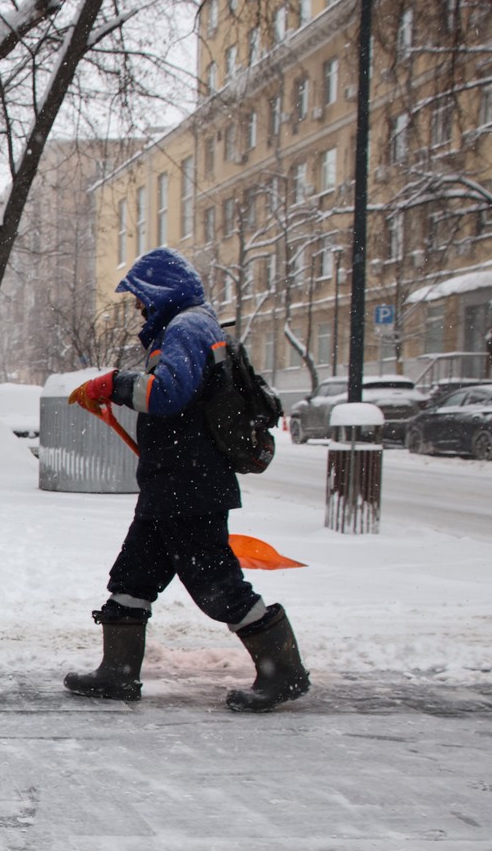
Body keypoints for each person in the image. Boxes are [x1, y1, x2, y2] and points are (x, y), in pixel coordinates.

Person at [64, 247, 310, 712]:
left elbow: (167, 394)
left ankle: (285, 672)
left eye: (140, 296)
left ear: (161, 292)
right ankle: (117, 674)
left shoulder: (186, 328)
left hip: (188, 487)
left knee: (218, 587)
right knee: (132, 577)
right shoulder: (190, 327)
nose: (138, 306)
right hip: (172, 484)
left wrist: (114, 383)